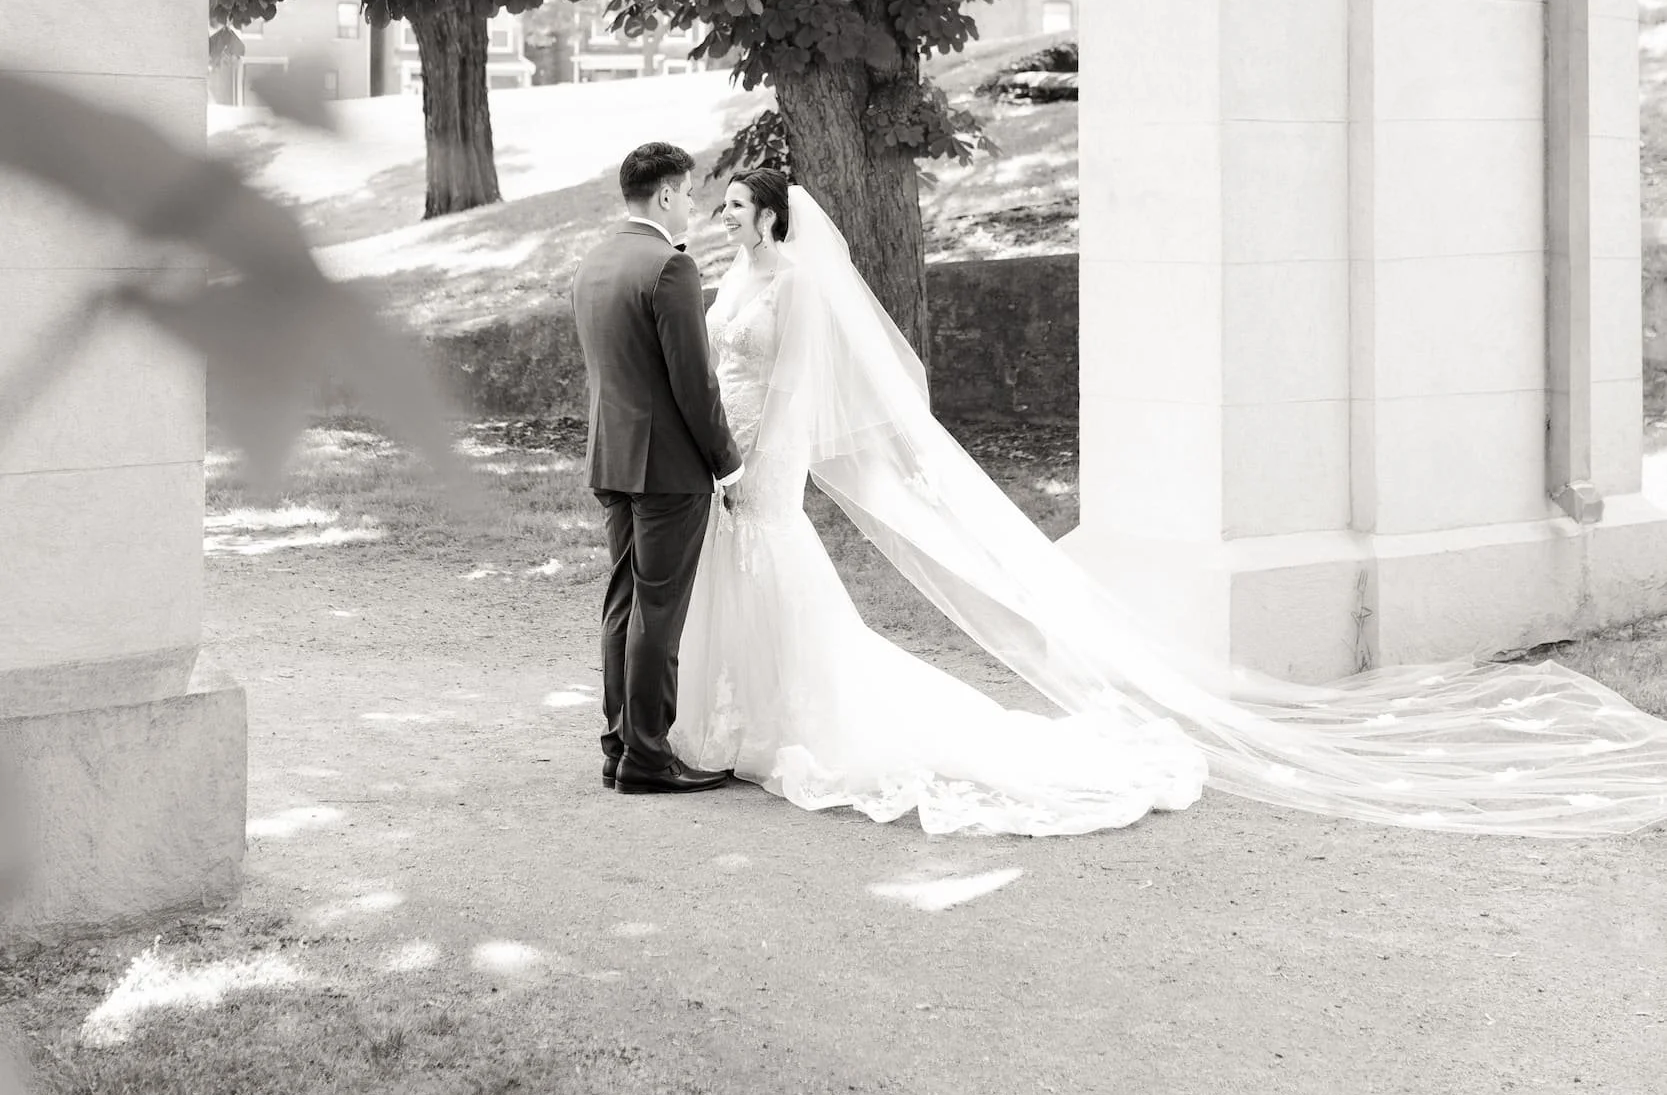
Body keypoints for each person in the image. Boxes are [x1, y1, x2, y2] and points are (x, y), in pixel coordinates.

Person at [671, 170, 1667, 839]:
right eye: (718, 209)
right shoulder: (734, 280)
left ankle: (789, 722)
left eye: (731, 208)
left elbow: (795, 389)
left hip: (762, 459)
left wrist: (760, 465)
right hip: (725, 451)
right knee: (749, 588)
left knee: (783, 581)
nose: (722, 219)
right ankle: (746, 717)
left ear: (767, 215)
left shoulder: (798, 286)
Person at [572, 141, 744, 795]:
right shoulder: (669, 268)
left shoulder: (594, 262)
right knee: (658, 613)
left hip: (611, 458)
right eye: (692, 194)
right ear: (667, 194)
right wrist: (726, 465)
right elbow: (693, 383)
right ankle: (647, 755)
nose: (693, 208)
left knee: (623, 604)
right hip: (667, 468)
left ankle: (619, 745)